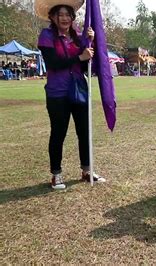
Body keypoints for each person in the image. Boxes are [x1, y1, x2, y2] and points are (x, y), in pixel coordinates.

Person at [36, 0, 106, 189]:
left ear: (73, 17)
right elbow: (53, 63)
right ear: (52, 17)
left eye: (68, 14)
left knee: (84, 131)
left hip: (79, 91)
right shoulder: (46, 35)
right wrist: (79, 56)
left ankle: (86, 170)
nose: (65, 18)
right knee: (58, 133)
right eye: (61, 14)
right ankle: (56, 175)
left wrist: (92, 42)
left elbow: (84, 65)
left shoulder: (77, 37)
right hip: (57, 93)